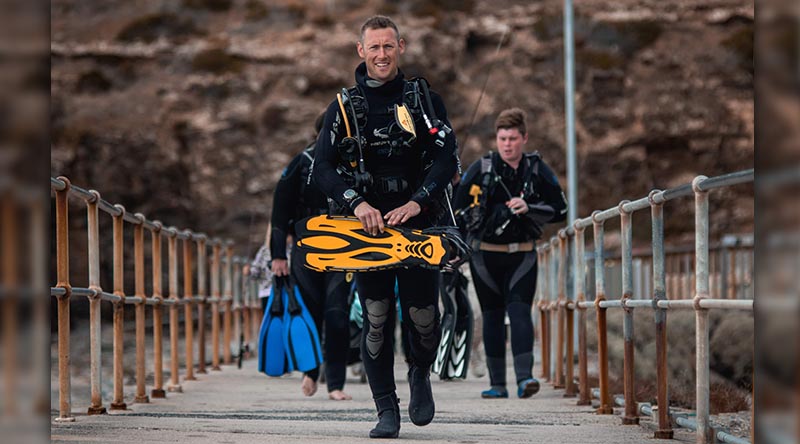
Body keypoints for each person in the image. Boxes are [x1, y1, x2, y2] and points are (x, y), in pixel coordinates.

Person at [313, 15, 459, 439]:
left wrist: (418, 202)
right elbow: (322, 168)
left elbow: (447, 157)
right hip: (368, 231)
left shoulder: (423, 99)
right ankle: (385, 410)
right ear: (360, 51)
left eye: (388, 46)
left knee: (424, 317)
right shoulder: (343, 107)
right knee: (376, 318)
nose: (381, 54)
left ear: (401, 47)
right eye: (373, 47)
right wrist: (355, 204)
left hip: (418, 226)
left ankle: (419, 373)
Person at [453, 107, 567, 399]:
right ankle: (498, 384)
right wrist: (458, 245)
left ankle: (525, 378)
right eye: (502, 138)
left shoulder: (538, 169)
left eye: (513, 138)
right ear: (497, 138)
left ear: (524, 138)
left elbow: (561, 210)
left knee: (519, 312)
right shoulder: (482, 168)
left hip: (523, 254)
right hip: (485, 256)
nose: (507, 144)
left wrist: (530, 208)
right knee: (492, 317)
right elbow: (455, 208)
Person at [270, 113, 353, 401]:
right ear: (319, 135)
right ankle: (310, 371)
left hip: (344, 246)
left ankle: (336, 383)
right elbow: (280, 211)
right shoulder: (301, 163)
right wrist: (277, 255)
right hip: (307, 246)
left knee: (338, 316)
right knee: (310, 314)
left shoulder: (352, 163)